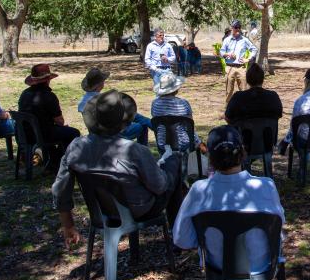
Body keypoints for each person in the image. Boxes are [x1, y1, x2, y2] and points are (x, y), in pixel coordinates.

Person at [52, 90, 182, 248]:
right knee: (174, 166)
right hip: (139, 210)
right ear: (124, 123)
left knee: (169, 170)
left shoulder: (76, 146)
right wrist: (168, 167)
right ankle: (180, 235)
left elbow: (60, 189)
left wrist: (68, 226)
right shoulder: (134, 150)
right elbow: (160, 186)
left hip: (100, 213)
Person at [173, 125, 285, 275]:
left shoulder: (198, 190)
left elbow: (182, 240)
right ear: (243, 152)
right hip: (261, 268)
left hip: (217, 268)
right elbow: (279, 227)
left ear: (211, 158)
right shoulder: (266, 186)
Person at [18, 64, 80, 162]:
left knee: (58, 131)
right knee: (73, 133)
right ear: (48, 79)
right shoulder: (48, 96)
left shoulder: (24, 94)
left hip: (23, 134)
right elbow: (60, 121)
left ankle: (53, 158)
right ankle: (59, 161)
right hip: (42, 135)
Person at [78, 67, 153, 145]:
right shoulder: (102, 100)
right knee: (142, 125)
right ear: (100, 84)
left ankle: (153, 124)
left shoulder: (83, 101)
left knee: (136, 117)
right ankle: (153, 129)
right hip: (113, 133)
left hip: (95, 132)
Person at [151, 71, 204, 154]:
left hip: (162, 143)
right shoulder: (183, 103)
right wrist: (198, 142)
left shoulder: (155, 104)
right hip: (183, 143)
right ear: (176, 89)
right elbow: (190, 127)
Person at [220, 20, 258, 103]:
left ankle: (245, 110)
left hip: (241, 68)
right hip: (229, 67)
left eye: (239, 28)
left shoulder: (244, 40)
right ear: (232, 28)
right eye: (235, 27)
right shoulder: (227, 40)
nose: (237, 29)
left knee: (244, 91)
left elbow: (254, 49)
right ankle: (228, 111)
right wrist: (228, 54)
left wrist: (248, 59)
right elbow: (221, 52)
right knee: (229, 91)